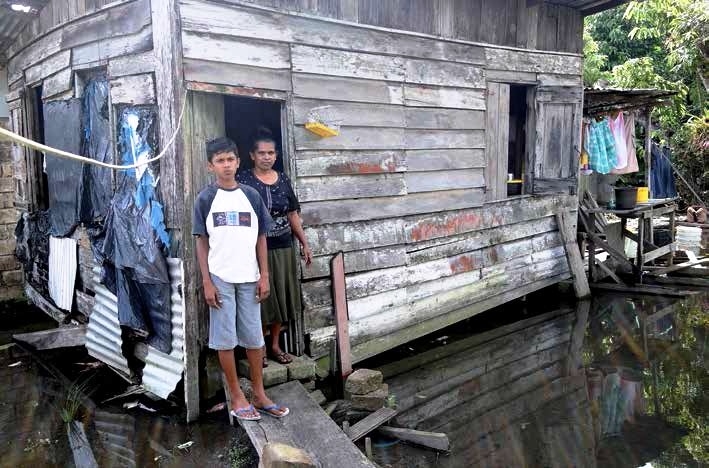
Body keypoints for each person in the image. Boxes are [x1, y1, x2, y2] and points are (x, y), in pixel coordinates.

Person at [193, 137, 289, 420]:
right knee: (224, 340)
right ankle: (237, 396)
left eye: (230, 159)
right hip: (220, 277)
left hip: (249, 277)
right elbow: (201, 242)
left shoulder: (251, 195)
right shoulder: (206, 199)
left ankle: (259, 395)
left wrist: (265, 275)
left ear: (238, 161)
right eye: (220, 161)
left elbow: (261, 237)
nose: (226, 165)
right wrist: (207, 281)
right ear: (211, 166)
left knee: (254, 338)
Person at [238, 127, 312, 366]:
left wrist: (304, 242)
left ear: (276, 155)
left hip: (283, 246)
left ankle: (275, 345)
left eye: (271, 153)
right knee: (261, 297)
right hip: (253, 249)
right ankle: (257, 347)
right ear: (252, 155)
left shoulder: (283, 179)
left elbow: (292, 214)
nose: (266, 157)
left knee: (281, 295)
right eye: (262, 153)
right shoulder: (243, 181)